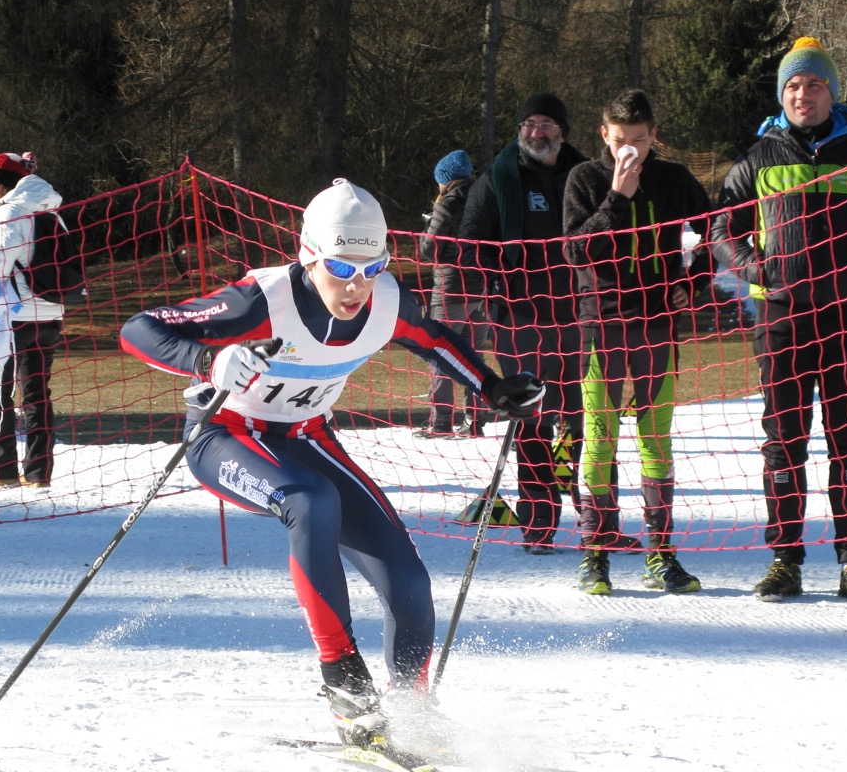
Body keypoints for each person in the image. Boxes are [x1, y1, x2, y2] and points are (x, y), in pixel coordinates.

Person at [119, 179, 543, 749]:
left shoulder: (385, 300)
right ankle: (347, 692)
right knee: (309, 501)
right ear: (310, 255)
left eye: (372, 268)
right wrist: (206, 360)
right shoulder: (261, 300)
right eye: (342, 270)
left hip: (306, 437)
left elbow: (434, 340)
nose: (357, 286)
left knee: (409, 581)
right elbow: (138, 329)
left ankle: (412, 713)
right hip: (225, 435)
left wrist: (491, 388)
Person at [709, 37, 847, 604]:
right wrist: (756, 268)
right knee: (783, 443)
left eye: (814, 84)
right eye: (793, 85)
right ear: (782, 95)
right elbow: (723, 233)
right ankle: (784, 560)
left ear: (832, 93)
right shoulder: (756, 159)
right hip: (781, 321)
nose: (803, 94)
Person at [563, 89, 713, 595]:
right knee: (600, 442)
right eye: (621, 139)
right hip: (600, 331)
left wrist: (696, 280)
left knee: (656, 441)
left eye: (641, 140)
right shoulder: (584, 178)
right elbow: (575, 250)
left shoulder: (672, 178)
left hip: (658, 329)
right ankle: (595, 554)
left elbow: (712, 225)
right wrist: (618, 195)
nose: (631, 149)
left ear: (654, 135)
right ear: (604, 134)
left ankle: (661, 555)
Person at [459, 92, 588, 554]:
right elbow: (469, 243)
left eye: (546, 124)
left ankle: (592, 516)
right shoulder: (497, 180)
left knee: (577, 421)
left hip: (576, 317)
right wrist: (492, 288)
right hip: (519, 320)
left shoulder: (586, 175)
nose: (537, 132)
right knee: (532, 422)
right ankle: (539, 525)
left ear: (563, 131)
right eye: (529, 124)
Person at [0, 151, 66, 490]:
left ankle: (1, 469)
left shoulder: (12, 211)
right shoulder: (51, 209)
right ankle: (39, 474)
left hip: (16, 316)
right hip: (51, 314)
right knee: (38, 395)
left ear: (7, 183)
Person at [416, 149, 489, 438]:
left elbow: (428, 249)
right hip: (481, 289)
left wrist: (427, 224)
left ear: (445, 179)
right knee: (475, 357)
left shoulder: (446, 204)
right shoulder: (484, 202)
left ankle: (441, 421)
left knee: (441, 354)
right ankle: (475, 421)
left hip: (450, 290)